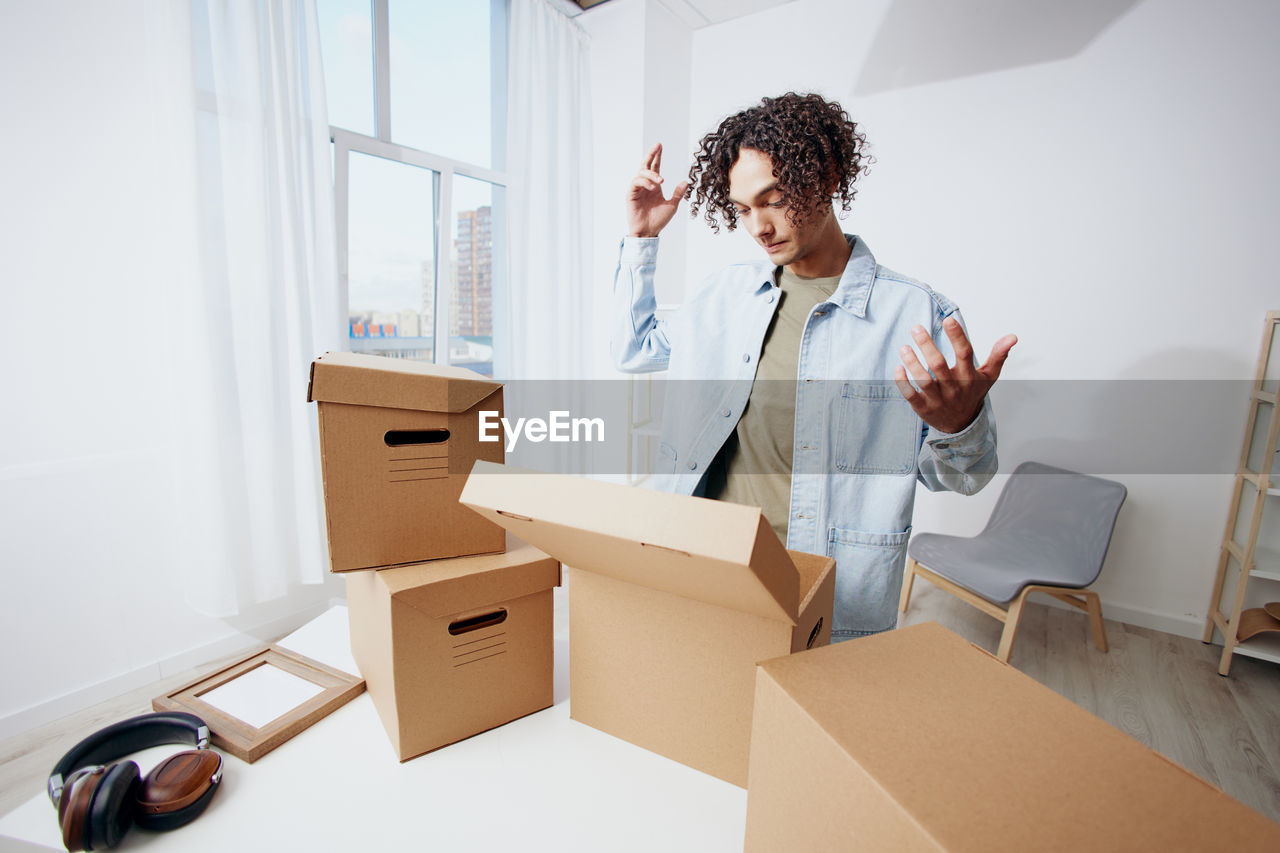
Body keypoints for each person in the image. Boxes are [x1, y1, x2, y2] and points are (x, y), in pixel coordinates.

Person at [610, 92, 1017, 639]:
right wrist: (641, 239)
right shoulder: (723, 297)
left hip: (824, 583)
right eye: (742, 209)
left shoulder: (914, 314)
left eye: (774, 199)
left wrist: (959, 426)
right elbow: (633, 349)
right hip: (708, 557)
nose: (759, 226)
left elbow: (966, 481)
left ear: (826, 176)